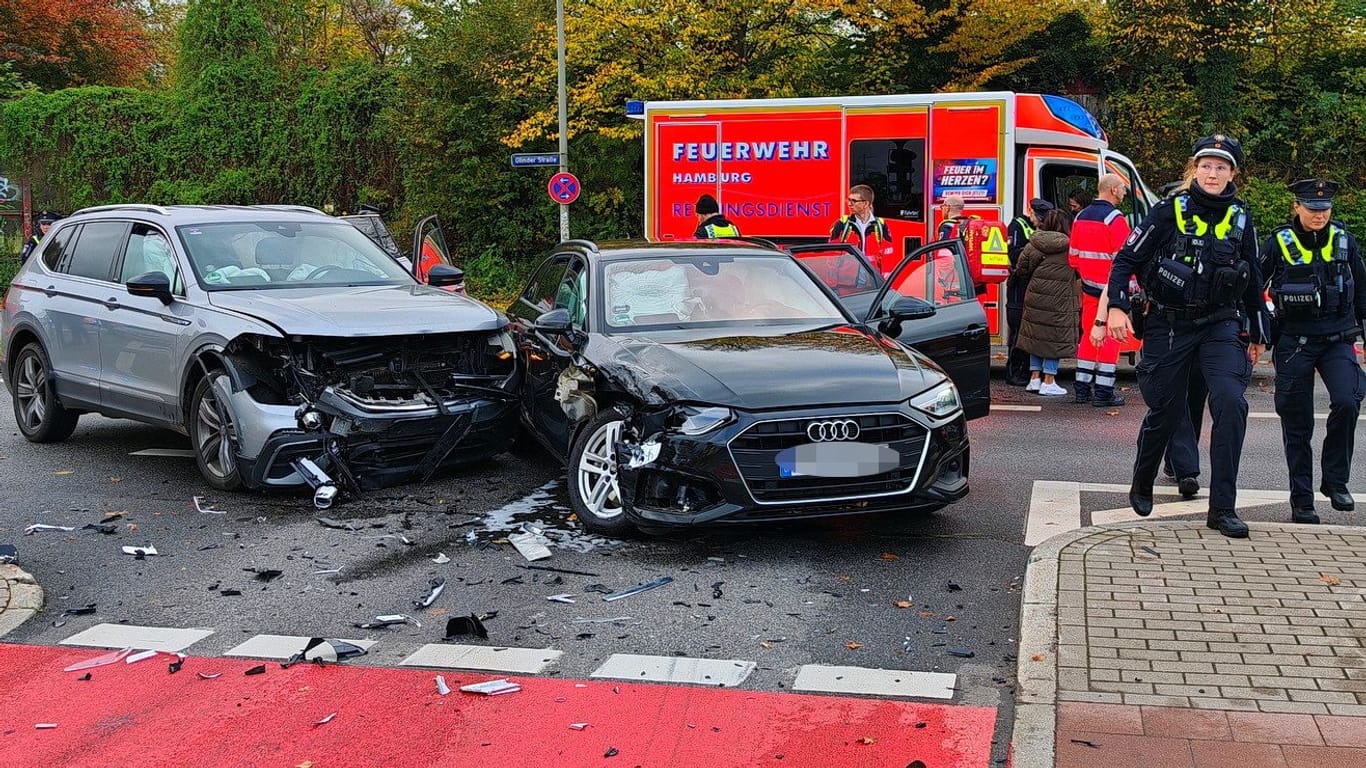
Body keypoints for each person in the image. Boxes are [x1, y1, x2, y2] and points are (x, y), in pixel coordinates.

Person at [1105, 134, 1269, 538]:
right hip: (1169, 323)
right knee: (1164, 407)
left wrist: (1258, 330)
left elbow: (1252, 278)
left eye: (1221, 167)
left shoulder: (1242, 217)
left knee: (1231, 403)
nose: (1212, 173)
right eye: (1206, 165)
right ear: (1194, 169)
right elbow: (1126, 259)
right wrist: (1116, 306)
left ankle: (1222, 509)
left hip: (1220, 324)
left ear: (1233, 173)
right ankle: (1143, 478)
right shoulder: (1168, 211)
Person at [1262, 178, 1366, 524]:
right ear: (1296, 207)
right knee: (1298, 424)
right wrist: (1255, 334)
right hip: (1294, 343)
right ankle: (1302, 500)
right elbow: (1252, 289)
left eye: (1324, 208)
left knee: (1348, 401)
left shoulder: (1344, 240)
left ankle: (1335, 481)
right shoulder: (1278, 242)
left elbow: (1362, 292)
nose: (1319, 214)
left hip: (1337, 338)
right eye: (1312, 208)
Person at [1071, 174, 1132, 407]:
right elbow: (1125, 260)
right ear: (1114, 190)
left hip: (1088, 288)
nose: (1125, 193)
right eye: (1123, 189)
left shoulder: (1080, 217)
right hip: (1111, 290)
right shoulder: (1115, 219)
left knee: (1089, 335)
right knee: (1112, 338)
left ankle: (1082, 388)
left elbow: (1073, 258)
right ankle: (1104, 392)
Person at [1015, 209, 1077, 397]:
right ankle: (1049, 380)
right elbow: (1079, 268)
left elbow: (1021, 268)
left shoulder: (1034, 243)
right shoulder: (1071, 245)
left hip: (1036, 296)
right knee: (1053, 338)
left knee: (1037, 336)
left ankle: (1034, 379)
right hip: (1060, 298)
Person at [1005, 198, 1055, 386]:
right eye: (1037, 216)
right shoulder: (1017, 225)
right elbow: (1014, 254)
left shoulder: (1044, 227)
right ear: (1030, 211)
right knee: (1019, 329)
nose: (1038, 221)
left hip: (1035, 284)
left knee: (1032, 330)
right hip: (1019, 284)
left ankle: (1029, 371)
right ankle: (1015, 372)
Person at [829, 185, 893, 269]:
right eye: (849, 200)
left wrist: (884, 280)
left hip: (871, 278)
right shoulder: (842, 224)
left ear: (866, 204)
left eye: (853, 201)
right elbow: (832, 255)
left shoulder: (881, 225)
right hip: (848, 279)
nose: (849, 204)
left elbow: (887, 257)